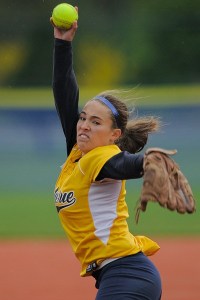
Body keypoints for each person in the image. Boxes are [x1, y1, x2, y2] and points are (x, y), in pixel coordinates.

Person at [52, 14, 162, 300]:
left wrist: (146, 163)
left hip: (128, 276)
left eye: (96, 122)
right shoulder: (78, 152)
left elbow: (121, 165)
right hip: (119, 276)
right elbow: (65, 95)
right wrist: (62, 44)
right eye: (83, 118)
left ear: (115, 135)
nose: (85, 125)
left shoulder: (101, 157)